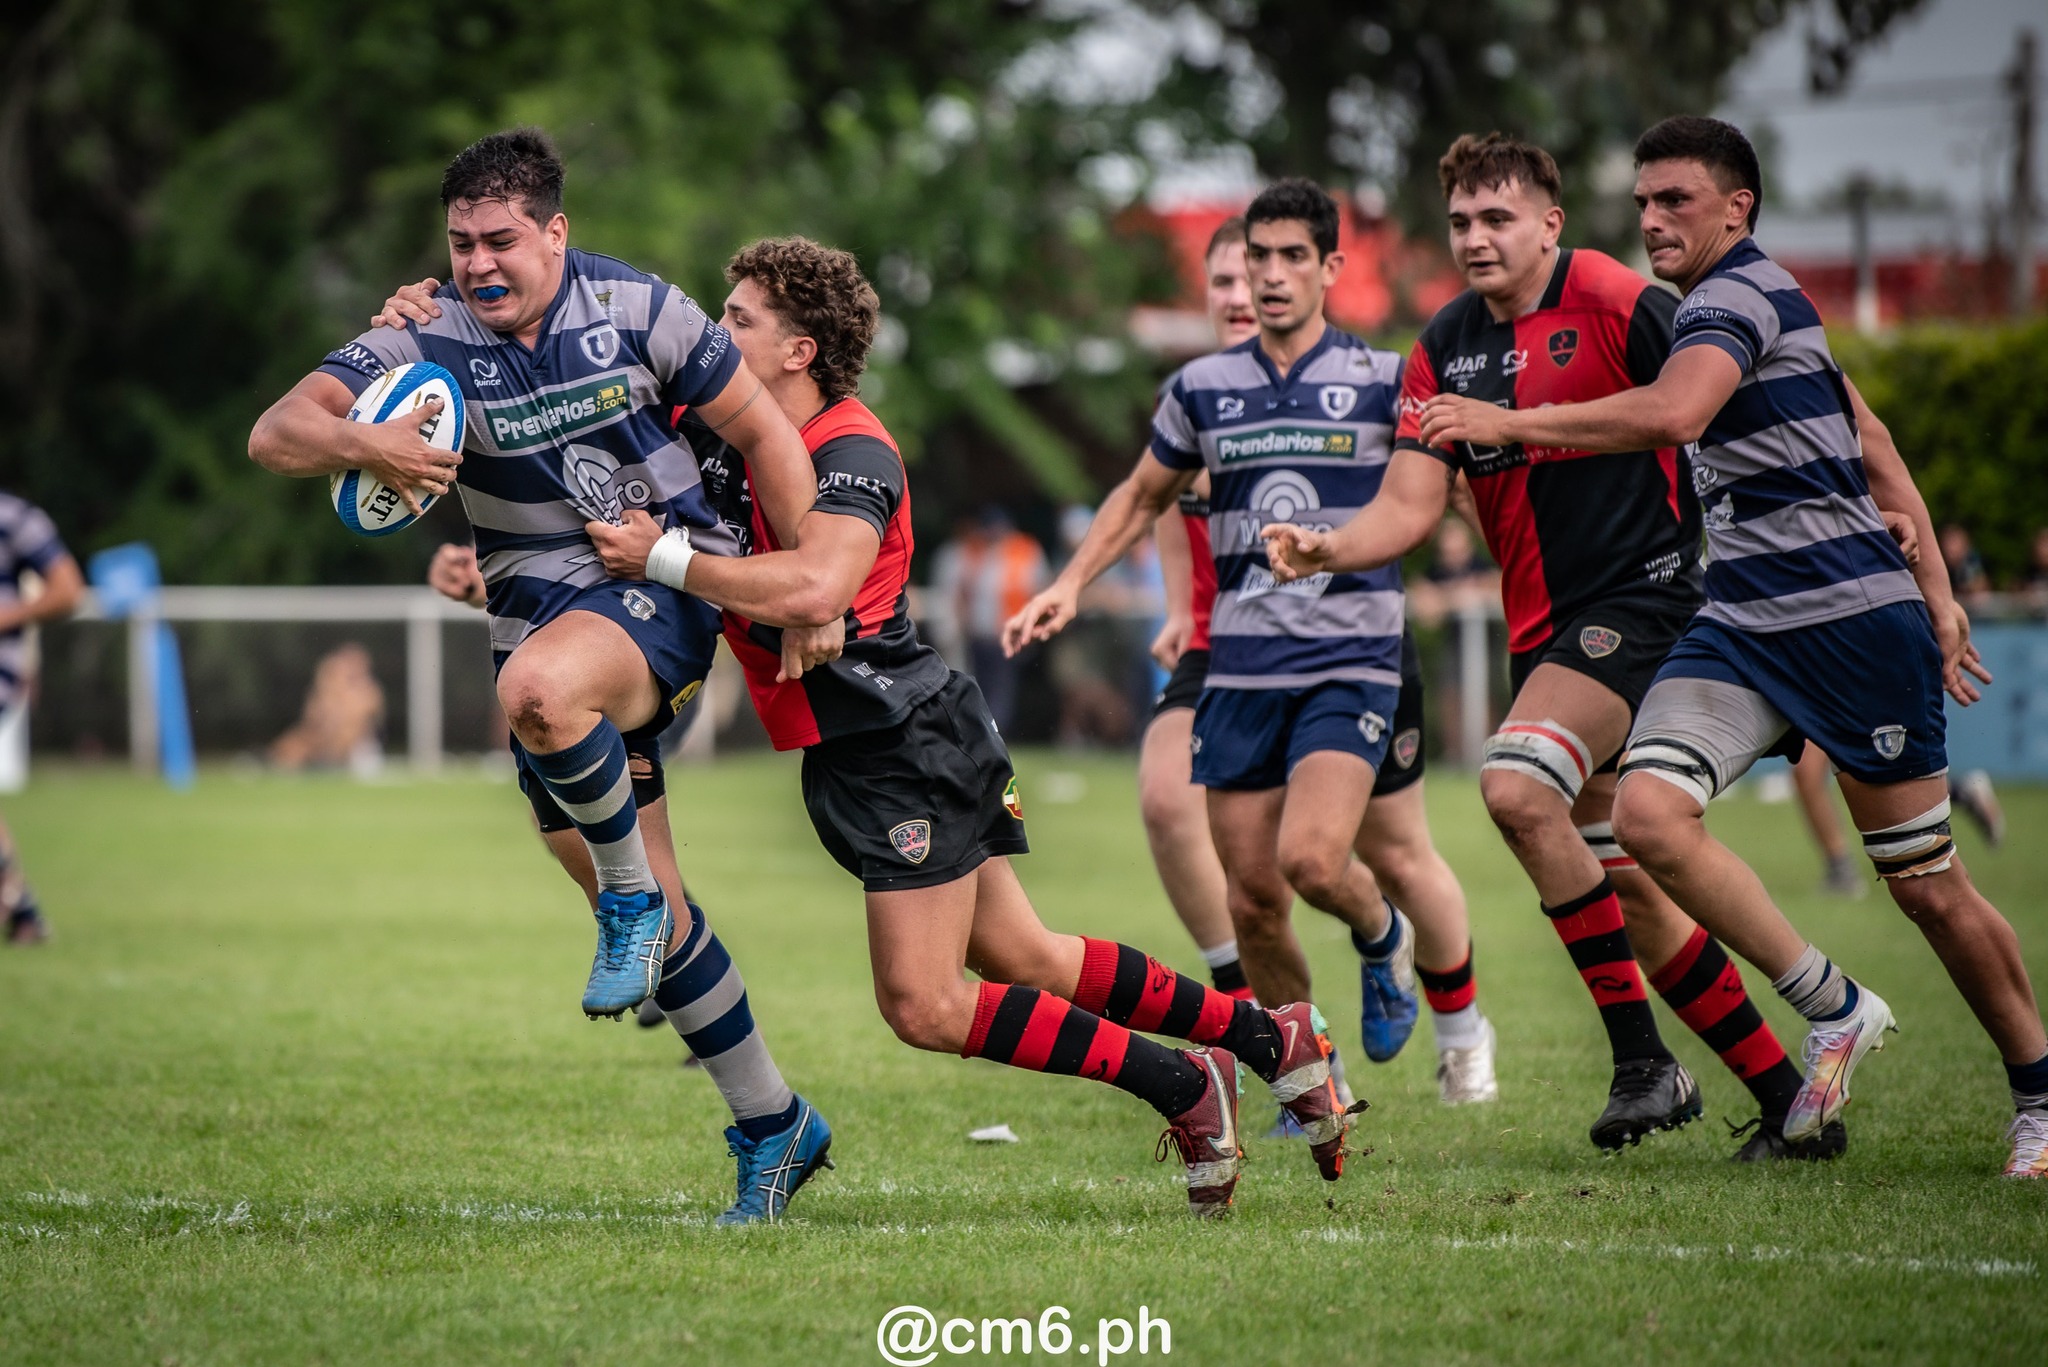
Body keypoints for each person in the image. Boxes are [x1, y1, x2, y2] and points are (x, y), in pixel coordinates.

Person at [582, 234, 1358, 1217]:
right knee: (1029, 957)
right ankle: (1268, 1039)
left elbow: (816, 586)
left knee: (924, 1003)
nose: (715, 331)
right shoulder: (717, 430)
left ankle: (1183, 1081)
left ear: (798, 351)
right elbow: (593, 396)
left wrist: (664, 559)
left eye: (740, 318)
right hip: (865, 746)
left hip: (904, 740)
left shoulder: (853, 448)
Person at [1411, 114, 2048, 1178]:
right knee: (1646, 818)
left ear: (1736, 208)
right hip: (1739, 620)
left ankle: (2038, 1094)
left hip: (1847, 621)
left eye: (1676, 200)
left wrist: (1505, 423)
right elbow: (1868, 436)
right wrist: (1940, 588)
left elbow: (1677, 413)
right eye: (1643, 200)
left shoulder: (1735, 297)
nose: (1652, 218)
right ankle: (1832, 1005)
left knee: (1926, 886)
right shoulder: (1693, 307)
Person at [250, 127, 831, 1223]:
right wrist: (371, 446)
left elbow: (769, 437)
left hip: (656, 589)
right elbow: (275, 434)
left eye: (501, 240)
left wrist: (806, 583)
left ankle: (627, 901)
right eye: (461, 242)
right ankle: (775, 1123)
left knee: (540, 703)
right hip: (530, 617)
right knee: (658, 914)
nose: (478, 262)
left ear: (555, 234)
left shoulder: (641, 310)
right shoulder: (424, 336)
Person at [1261, 134, 1833, 1158]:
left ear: (1549, 224)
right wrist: (1327, 546)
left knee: (1516, 787)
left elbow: (1730, 397)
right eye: (1459, 222)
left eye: (1497, 218)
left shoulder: (1617, 298)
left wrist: (1865, 505)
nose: (1475, 238)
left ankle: (1643, 1061)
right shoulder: (1442, 344)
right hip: (1544, 633)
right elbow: (1409, 503)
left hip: (1645, 598)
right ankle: (1789, 1100)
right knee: (1631, 888)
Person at [1005, 179, 1497, 1109]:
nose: (1270, 276)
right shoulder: (1200, 389)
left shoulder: (1386, 378)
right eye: (1257, 258)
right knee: (1254, 900)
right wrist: (1068, 584)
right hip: (1240, 664)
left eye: (1291, 257)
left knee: (1314, 858)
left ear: (1330, 268)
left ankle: (1387, 937)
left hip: (1351, 656)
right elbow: (1145, 496)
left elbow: (1449, 492)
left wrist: (1524, 567)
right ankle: (1315, 1084)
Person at [0, 493, 84, 945]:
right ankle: (22, 910)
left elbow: (68, 590)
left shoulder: (14, 518)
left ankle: (21, 908)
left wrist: (7, 616)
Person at [928, 507, 1047, 732]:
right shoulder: (974, 551)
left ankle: (995, 731)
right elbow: (962, 592)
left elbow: (1035, 590)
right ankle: (983, 730)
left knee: (1001, 687)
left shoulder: (1023, 551)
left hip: (1008, 631)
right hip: (979, 633)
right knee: (979, 683)